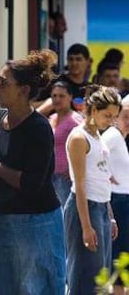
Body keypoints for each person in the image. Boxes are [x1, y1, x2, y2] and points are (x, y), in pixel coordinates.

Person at [0, 49, 66, 294]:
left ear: (24, 90)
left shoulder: (39, 129)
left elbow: (32, 184)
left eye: (3, 82)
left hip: (34, 225)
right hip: (1, 220)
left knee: (33, 288)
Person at [64, 85, 121, 294]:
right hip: (85, 208)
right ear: (94, 110)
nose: (111, 121)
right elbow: (79, 184)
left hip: (102, 207)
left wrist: (110, 215)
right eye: (107, 115)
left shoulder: (97, 136)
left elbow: (103, 177)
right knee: (84, 276)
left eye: (115, 116)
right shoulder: (80, 138)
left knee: (101, 276)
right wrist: (86, 226)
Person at [101, 95, 129, 295]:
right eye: (125, 116)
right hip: (117, 201)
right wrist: (106, 175)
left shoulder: (120, 137)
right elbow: (93, 156)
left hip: (123, 199)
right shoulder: (112, 135)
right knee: (119, 253)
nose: (128, 121)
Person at [49, 81, 83, 207]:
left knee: (65, 214)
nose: (57, 99)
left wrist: (73, 169)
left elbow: (85, 146)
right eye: (54, 96)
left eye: (62, 96)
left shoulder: (75, 120)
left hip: (66, 177)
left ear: (70, 97)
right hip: (51, 176)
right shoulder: (51, 118)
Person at [35, 43, 91, 116]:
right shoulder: (55, 82)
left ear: (87, 61)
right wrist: (53, 102)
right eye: (71, 59)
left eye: (78, 59)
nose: (74, 63)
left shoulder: (90, 88)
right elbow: (32, 105)